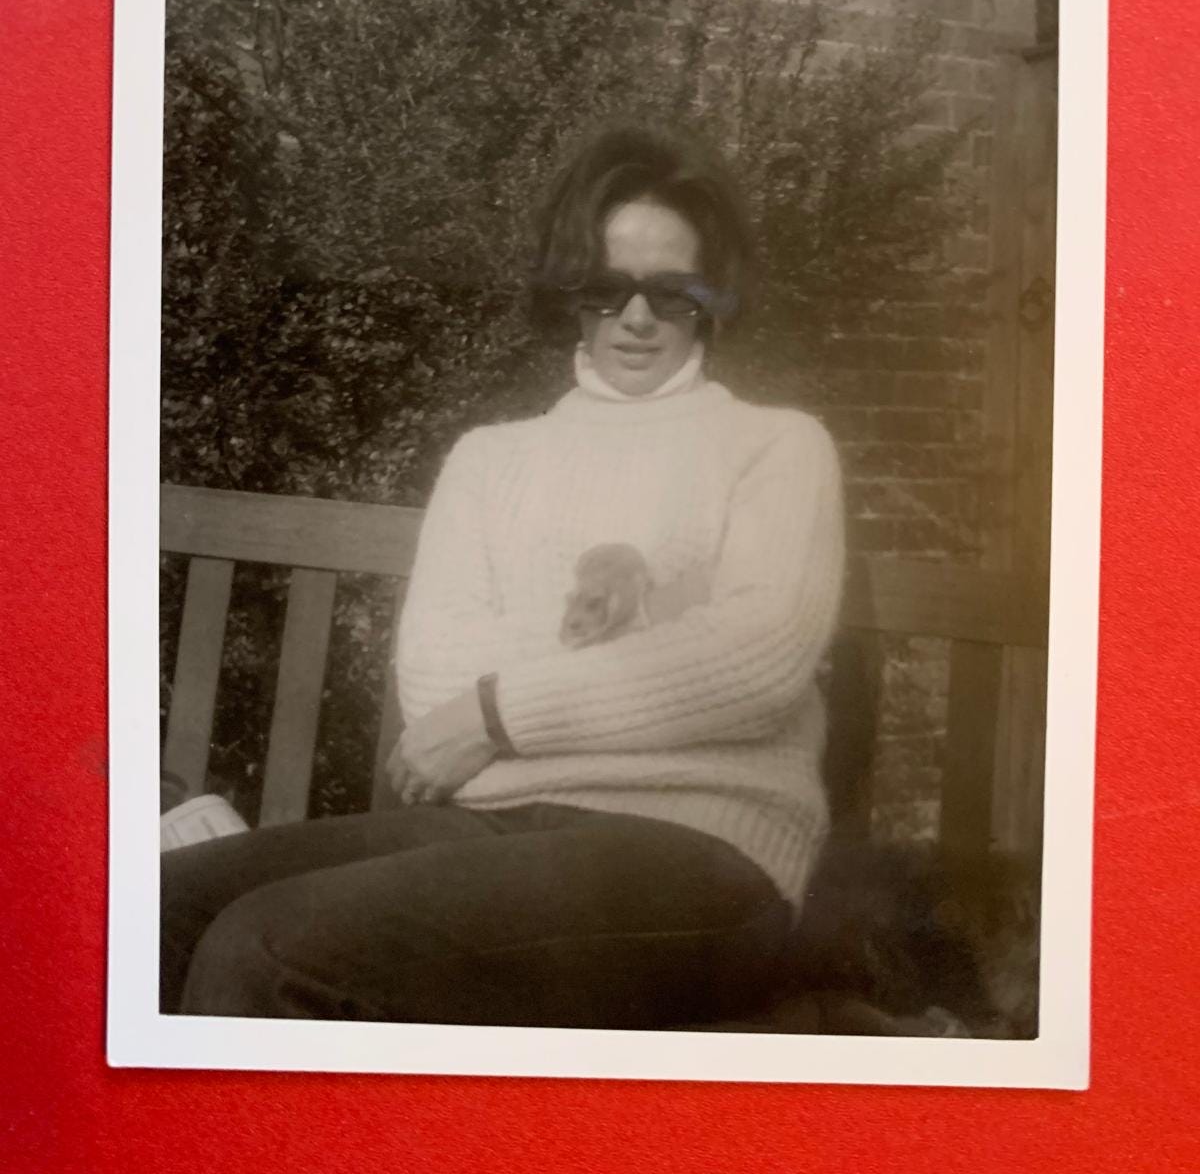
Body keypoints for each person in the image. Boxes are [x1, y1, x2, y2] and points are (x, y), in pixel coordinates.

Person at [160, 126, 846, 1028]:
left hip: (699, 849)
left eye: (670, 293)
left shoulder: (775, 447)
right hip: (492, 830)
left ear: (708, 302)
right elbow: (433, 677)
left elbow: (756, 662)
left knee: (269, 946)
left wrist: (497, 714)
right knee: (158, 909)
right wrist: (661, 653)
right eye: (609, 288)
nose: (637, 318)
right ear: (574, 295)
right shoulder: (491, 460)